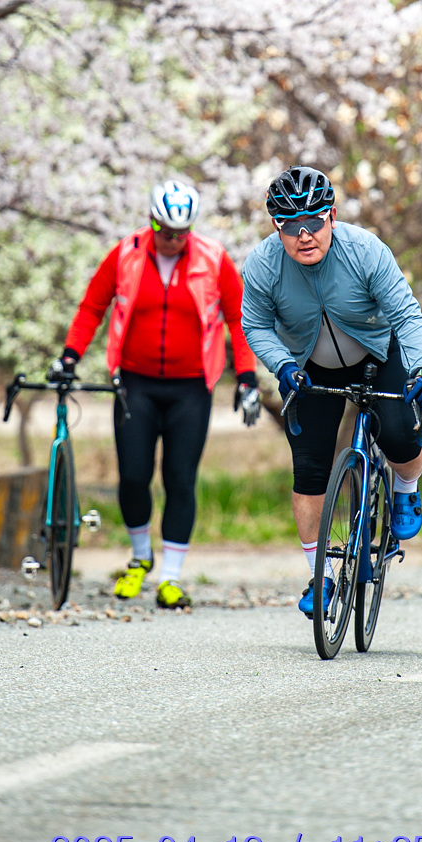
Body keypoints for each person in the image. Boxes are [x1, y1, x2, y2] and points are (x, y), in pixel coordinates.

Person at [241, 165, 422, 619]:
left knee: (400, 436)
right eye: (291, 225)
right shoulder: (263, 265)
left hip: (377, 353)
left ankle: (406, 487)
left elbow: (406, 314)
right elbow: (256, 325)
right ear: (276, 226)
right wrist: (282, 364)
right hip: (308, 366)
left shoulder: (365, 250)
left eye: (314, 221)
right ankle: (322, 576)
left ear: (331, 216)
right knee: (309, 467)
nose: (304, 235)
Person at [58, 179, 259, 609]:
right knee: (133, 476)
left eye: (181, 233)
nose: (173, 240)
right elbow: (92, 306)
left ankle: (170, 578)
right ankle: (140, 557)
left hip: (191, 387)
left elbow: (237, 319)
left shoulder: (213, 258)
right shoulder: (125, 254)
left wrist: (247, 377)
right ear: (151, 221)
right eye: (165, 231)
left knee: (180, 479)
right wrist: (70, 356)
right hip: (136, 384)